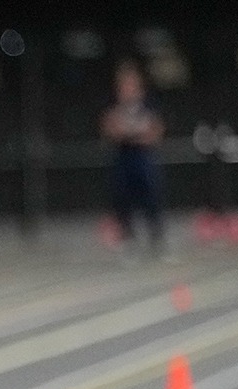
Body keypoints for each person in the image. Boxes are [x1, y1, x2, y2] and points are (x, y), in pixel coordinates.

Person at [100, 59, 166, 259]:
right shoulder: (114, 105)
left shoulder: (147, 104)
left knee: (150, 193)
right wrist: (125, 133)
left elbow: (156, 130)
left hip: (142, 156)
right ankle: (127, 238)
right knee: (122, 196)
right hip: (123, 155)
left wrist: (140, 135)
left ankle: (156, 236)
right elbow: (109, 128)